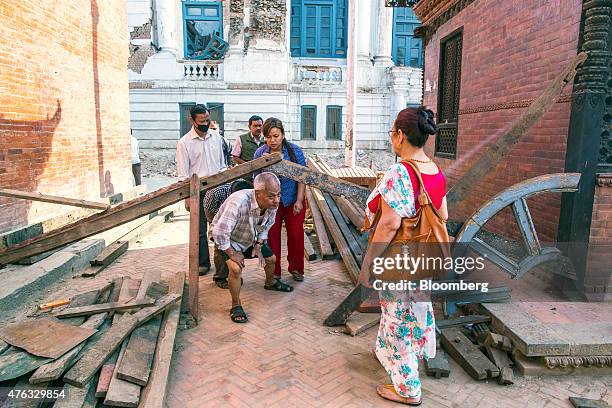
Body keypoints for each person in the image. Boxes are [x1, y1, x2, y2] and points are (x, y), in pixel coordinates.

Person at [358, 106, 447, 406]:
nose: (391, 139)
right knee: (410, 315)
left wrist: (369, 262)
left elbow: (389, 223)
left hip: (400, 260)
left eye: (392, 133)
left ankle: (408, 389)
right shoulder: (434, 170)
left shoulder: (401, 171)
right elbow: (442, 214)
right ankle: (389, 357)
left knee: (399, 321)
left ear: (400, 135)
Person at [212, 172, 294, 324]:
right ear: (257, 193)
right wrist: (232, 253)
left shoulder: (272, 204)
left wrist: (259, 244)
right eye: (271, 196)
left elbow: (266, 226)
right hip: (229, 240)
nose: (276, 200)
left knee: (271, 259)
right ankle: (236, 305)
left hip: (250, 236)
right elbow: (219, 232)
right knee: (235, 269)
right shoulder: (238, 202)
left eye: (278, 195)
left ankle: (270, 283)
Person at [253, 118, 307, 282]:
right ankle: (274, 271)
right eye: (268, 137)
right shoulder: (260, 153)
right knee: (271, 236)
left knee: (296, 235)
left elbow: (303, 177)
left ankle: (296, 268)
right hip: (270, 204)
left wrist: (299, 200)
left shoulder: (295, 152)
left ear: (283, 135)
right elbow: (256, 180)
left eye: (276, 136)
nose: (272, 140)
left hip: (292, 199)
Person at [176, 104, 227, 275]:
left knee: (222, 227)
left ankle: (223, 266)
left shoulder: (216, 138)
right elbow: (183, 174)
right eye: (202, 121)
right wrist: (187, 198)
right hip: (197, 190)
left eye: (207, 120)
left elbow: (222, 165)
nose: (206, 123)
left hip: (218, 186)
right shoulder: (184, 143)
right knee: (199, 230)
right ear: (192, 120)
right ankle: (203, 263)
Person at [204, 179, 254, 288]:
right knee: (220, 247)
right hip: (217, 216)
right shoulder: (216, 193)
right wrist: (219, 228)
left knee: (235, 244)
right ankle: (220, 278)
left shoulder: (249, 190)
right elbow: (209, 211)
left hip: (238, 217)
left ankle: (233, 275)